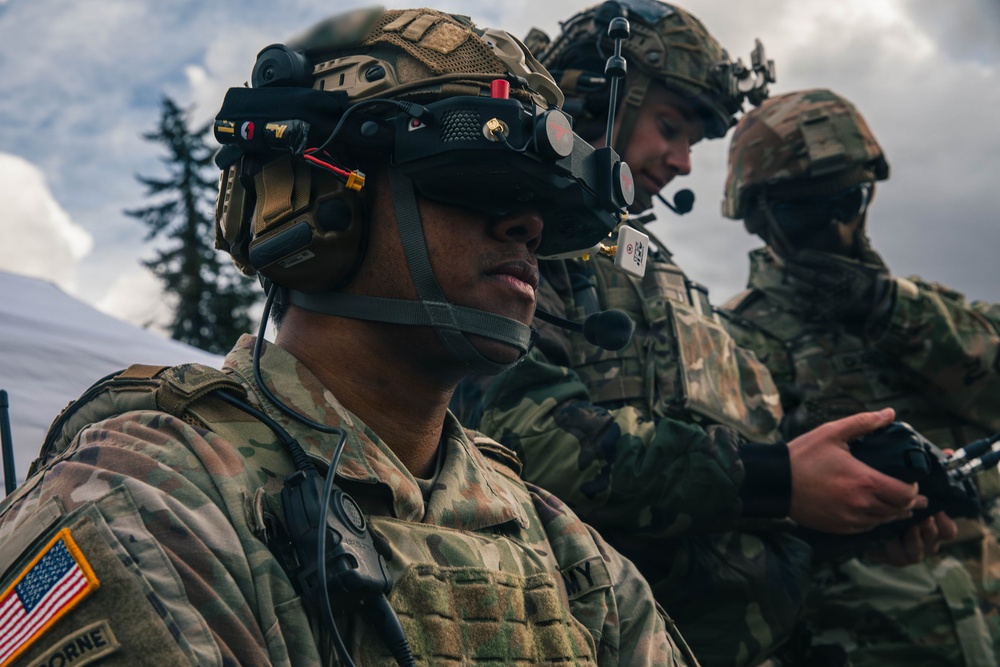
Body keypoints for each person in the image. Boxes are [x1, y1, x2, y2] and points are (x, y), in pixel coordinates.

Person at [0, 7, 696, 665]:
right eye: (476, 177)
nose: (527, 226)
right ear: (318, 193)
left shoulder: (562, 546)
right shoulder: (151, 495)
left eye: (544, 201)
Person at [452, 2, 953, 665]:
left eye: (694, 142)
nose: (684, 162)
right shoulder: (516, 235)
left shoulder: (657, 273)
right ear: (604, 94)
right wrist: (781, 482)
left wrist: (847, 516)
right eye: (670, 127)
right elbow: (523, 445)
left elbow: (713, 490)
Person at [718, 87, 1000, 665]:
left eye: (847, 200)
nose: (836, 227)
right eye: (807, 209)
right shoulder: (727, 342)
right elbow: (728, 517)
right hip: (863, 643)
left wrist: (895, 312)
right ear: (759, 216)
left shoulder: (924, 309)